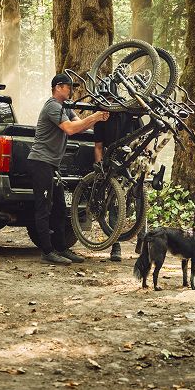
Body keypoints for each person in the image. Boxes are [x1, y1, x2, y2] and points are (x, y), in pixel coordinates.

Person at [27, 74, 109, 265]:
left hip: (51, 164)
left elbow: (80, 126)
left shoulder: (65, 107)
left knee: (59, 207)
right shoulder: (52, 106)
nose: (72, 90)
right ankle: (47, 251)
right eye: (69, 86)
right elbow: (70, 129)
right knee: (43, 208)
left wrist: (99, 118)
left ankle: (61, 248)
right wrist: (95, 117)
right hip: (40, 162)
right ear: (58, 87)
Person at [93, 111, 142, 262]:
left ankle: (143, 240)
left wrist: (146, 158)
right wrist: (100, 170)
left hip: (133, 161)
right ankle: (116, 246)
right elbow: (98, 147)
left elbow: (143, 138)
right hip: (113, 163)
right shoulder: (101, 117)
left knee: (140, 201)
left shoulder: (131, 113)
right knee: (114, 204)